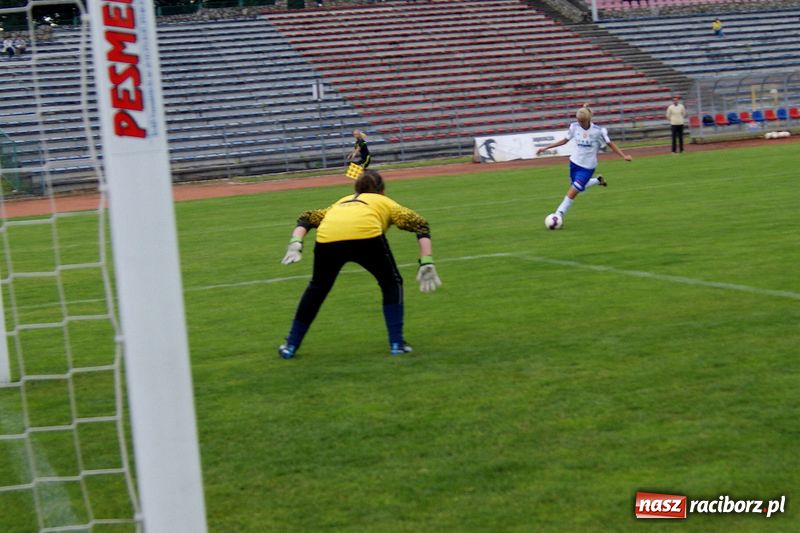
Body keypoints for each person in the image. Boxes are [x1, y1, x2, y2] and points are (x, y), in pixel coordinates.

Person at [277, 169, 441, 359]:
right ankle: (396, 343)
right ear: (382, 190)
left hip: (328, 238)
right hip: (366, 237)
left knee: (318, 289)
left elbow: (307, 217)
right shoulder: (384, 201)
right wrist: (426, 260)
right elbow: (420, 224)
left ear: (356, 189)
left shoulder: (341, 201)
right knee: (390, 283)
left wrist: (295, 242)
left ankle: (290, 346)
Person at [536, 105, 632, 222]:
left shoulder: (598, 131)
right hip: (574, 163)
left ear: (588, 120)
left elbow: (610, 144)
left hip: (588, 167)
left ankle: (558, 214)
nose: (580, 123)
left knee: (574, 190)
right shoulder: (574, 127)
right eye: (578, 121)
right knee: (577, 186)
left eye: (582, 121)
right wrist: (545, 148)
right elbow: (565, 140)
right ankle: (598, 180)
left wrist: (624, 156)